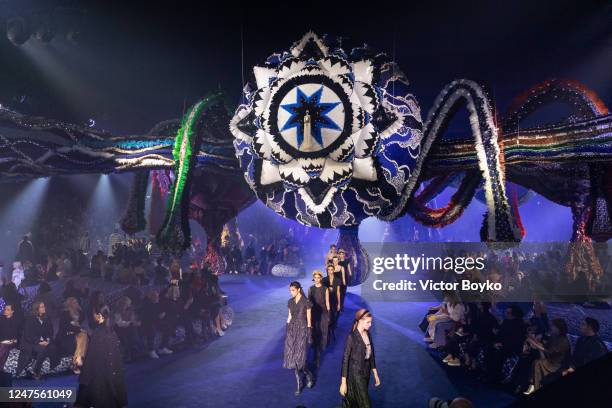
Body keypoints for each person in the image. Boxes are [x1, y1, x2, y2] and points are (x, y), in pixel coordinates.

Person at [75, 305, 128, 408]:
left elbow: (92, 358)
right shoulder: (112, 332)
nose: (93, 316)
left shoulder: (98, 333)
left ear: (99, 315)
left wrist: (83, 368)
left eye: (94, 314)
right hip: (111, 373)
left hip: (100, 376)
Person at [339, 309, 381, 408]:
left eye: (371, 322)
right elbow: (345, 360)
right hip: (355, 374)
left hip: (366, 373)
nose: (370, 324)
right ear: (360, 321)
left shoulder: (368, 334)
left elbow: (371, 355)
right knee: (366, 404)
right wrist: (343, 383)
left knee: (358, 400)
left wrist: (375, 373)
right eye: (368, 322)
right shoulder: (351, 337)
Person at [524, 318, 571, 394]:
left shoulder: (564, 341)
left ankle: (534, 386)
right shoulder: (553, 335)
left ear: (558, 328)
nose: (551, 327)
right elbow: (546, 346)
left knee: (537, 363)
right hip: (549, 359)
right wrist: (533, 339)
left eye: (553, 326)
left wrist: (534, 343)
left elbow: (549, 352)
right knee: (533, 360)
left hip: (556, 364)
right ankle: (532, 384)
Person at [283, 281, 313, 396]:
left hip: (302, 331)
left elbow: (309, 320)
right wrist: (287, 330)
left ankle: (309, 376)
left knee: (301, 359)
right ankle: (299, 384)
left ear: (298, 289)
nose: (291, 293)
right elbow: (289, 316)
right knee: (293, 358)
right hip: (292, 331)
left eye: (293, 290)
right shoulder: (290, 302)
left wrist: (309, 334)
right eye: (290, 290)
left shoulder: (306, 302)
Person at [16, 301, 59, 379]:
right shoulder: (30, 319)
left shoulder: (47, 318)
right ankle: (36, 370)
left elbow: (51, 332)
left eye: (44, 306)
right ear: (37, 309)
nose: (44, 308)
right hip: (30, 342)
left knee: (53, 348)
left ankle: (51, 366)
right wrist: (40, 342)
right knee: (42, 350)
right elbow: (28, 335)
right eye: (42, 307)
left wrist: (48, 340)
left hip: (44, 341)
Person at [55, 297, 88, 374]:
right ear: (69, 304)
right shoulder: (65, 312)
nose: (76, 303)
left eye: (76, 302)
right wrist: (78, 329)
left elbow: (81, 319)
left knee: (84, 335)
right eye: (74, 302)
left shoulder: (78, 312)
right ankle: (77, 361)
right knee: (83, 335)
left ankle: (76, 361)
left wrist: (80, 309)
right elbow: (64, 326)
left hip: (75, 333)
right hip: (65, 335)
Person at [308, 270, 330, 367]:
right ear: (314, 278)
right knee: (315, 332)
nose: (317, 279)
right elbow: (308, 303)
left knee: (323, 331)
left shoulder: (325, 289)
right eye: (315, 278)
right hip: (314, 313)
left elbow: (327, 303)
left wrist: (329, 315)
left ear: (321, 278)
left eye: (318, 277)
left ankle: (319, 353)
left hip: (323, 313)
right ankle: (316, 353)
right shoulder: (311, 289)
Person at [0, 303, 23, 370]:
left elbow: (16, 334)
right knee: (3, 347)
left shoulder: (16, 320)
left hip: (12, 341)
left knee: (3, 346)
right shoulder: (1, 319)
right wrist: (2, 340)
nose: (5, 311)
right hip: (2, 341)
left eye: (7, 310)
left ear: (12, 311)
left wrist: (11, 340)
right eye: (5, 309)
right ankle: (1, 369)